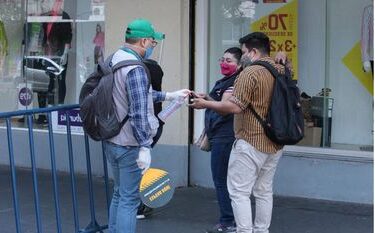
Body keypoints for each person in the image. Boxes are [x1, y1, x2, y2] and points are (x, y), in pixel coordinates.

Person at [190, 32, 286, 233]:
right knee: (263, 191)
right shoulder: (279, 69)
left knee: (239, 192)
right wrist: (283, 54)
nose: (242, 56)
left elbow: (235, 107)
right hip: (275, 140)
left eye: (243, 52)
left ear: (253, 51)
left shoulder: (249, 73)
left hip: (250, 139)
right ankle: (261, 230)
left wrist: (204, 103)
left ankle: (244, 230)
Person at [103, 18, 190, 233]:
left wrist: (169, 95)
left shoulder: (114, 59)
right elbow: (139, 111)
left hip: (111, 138)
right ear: (143, 41)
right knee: (130, 200)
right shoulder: (135, 67)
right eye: (153, 43)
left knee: (119, 193)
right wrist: (144, 146)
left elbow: (135, 93)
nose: (153, 47)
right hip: (129, 144)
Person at [192, 47, 242, 233]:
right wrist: (208, 97)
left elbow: (225, 108)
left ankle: (228, 221)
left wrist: (205, 103)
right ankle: (232, 219)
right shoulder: (226, 81)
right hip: (220, 135)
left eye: (229, 61)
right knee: (226, 179)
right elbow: (219, 103)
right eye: (222, 59)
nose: (224, 63)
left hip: (225, 137)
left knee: (221, 179)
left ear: (239, 64)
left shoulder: (235, 81)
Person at [37, 0, 72, 124]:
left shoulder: (64, 16)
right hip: (49, 53)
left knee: (61, 80)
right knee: (50, 80)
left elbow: (68, 36)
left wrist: (65, 53)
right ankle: (50, 107)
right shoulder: (47, 17)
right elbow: (44, 36)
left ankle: (61, 106)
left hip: (60, 53)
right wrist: (42, 53)